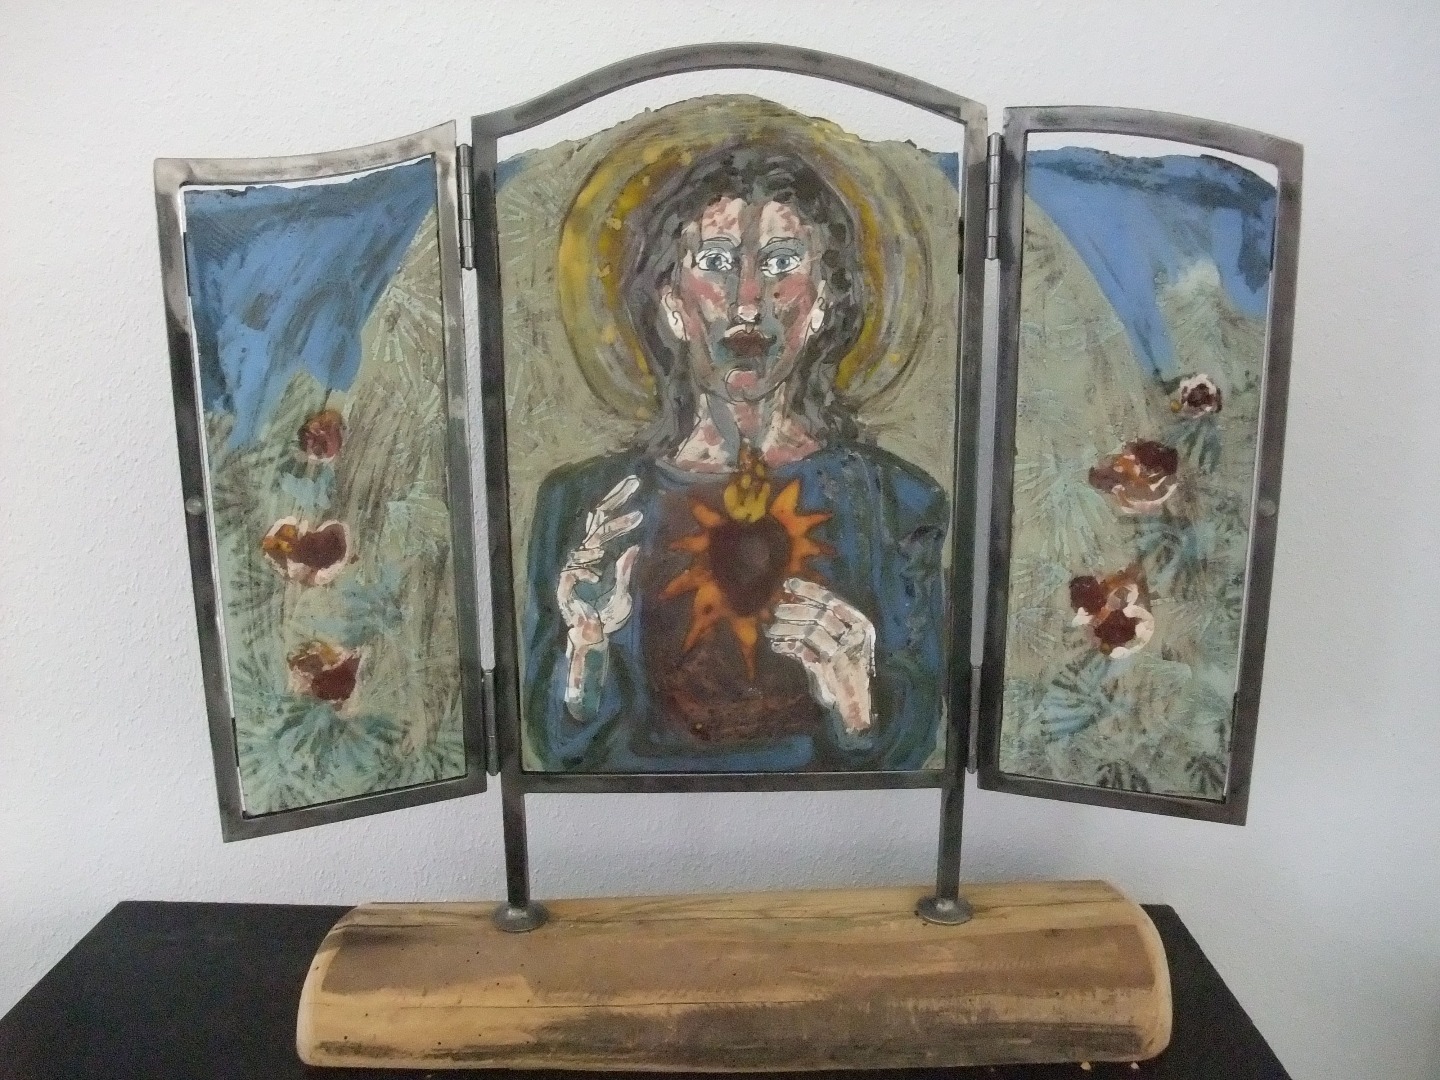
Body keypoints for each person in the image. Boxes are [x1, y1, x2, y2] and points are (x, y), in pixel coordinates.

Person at [523, 142, 948, 773]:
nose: (749, 300)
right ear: (671, 302)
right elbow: (559, 750)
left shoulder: (898, 504)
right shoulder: (583, 509)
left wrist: (860, 701)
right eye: (717, 262)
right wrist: (586, 646)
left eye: (782, 264)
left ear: (823, 301)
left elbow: (913, 746)